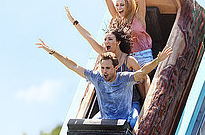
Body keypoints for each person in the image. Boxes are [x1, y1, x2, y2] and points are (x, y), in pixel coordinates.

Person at [35, 38, 172, 128]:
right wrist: (52, 52)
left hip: (125, 116)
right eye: (102, 68)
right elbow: (73, 66)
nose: (104, 71)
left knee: (136, 122)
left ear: (115, 68)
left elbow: (142, 72)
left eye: (107, 68)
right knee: (87, 126)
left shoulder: (124, 78)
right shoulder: (97, 77)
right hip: (106, 117)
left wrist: (158, 61)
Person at [64, 6, 150, 98]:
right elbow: (88, 37)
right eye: (105, 39)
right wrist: (74, 22)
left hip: (130, 101)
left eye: (110, 39)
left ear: (118, 42)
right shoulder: (105, 54)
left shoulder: (129, 60)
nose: (106, 42)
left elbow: (144, 79)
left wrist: (146, 100)